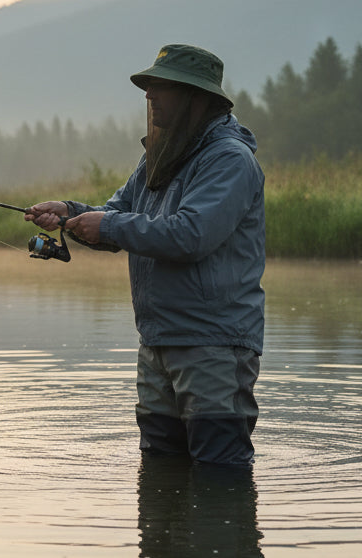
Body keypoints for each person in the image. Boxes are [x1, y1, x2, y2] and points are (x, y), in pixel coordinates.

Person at [25, 44, 264, 468]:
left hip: (213, 346)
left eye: (160, 87)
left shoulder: (229, 160)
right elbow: (118, 214)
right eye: (148, 87)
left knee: (218, 475)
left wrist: (108, 225)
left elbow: (191, 235)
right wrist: (71, 213)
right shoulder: (159, 156)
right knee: (159, 468)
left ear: (195, 97)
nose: (149, 96)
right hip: (157, 342)